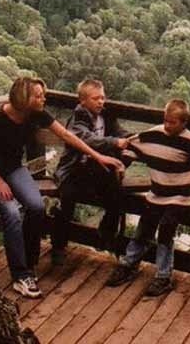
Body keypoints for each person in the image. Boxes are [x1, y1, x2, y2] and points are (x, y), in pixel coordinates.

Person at [0, 77, 124, 299]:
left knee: (36, 207)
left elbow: (66, 135)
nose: (44, 97)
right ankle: (20, 275)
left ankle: (29, 262)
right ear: (25, 98)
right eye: (39, 95)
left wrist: (98, 155)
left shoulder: (37, 113)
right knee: (12, 213)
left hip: (13, 168)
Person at [105, 99, 190, 296]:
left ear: (184, 122)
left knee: (166, 230)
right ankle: (128, 264)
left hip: (179, 197)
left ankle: (163, 275)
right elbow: (132, 145)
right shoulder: (154, 134)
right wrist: (121, 164)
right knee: (144, 228)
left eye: (173, 122)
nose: (167, 126)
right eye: (166, 121)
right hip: (157, 194)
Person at [51, 79, 132, 264]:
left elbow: (120, 132)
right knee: (67, 199)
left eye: (102, 98)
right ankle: (58, 246)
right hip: (75, 169)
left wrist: (129, 139)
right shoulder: (78, 118)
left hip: (97, 170)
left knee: (117, 196)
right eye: (95, 98)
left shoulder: (107, 115)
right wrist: (113, 142)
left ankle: (106, 233)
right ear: (83, 101)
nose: (100, 102)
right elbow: (86, 138)